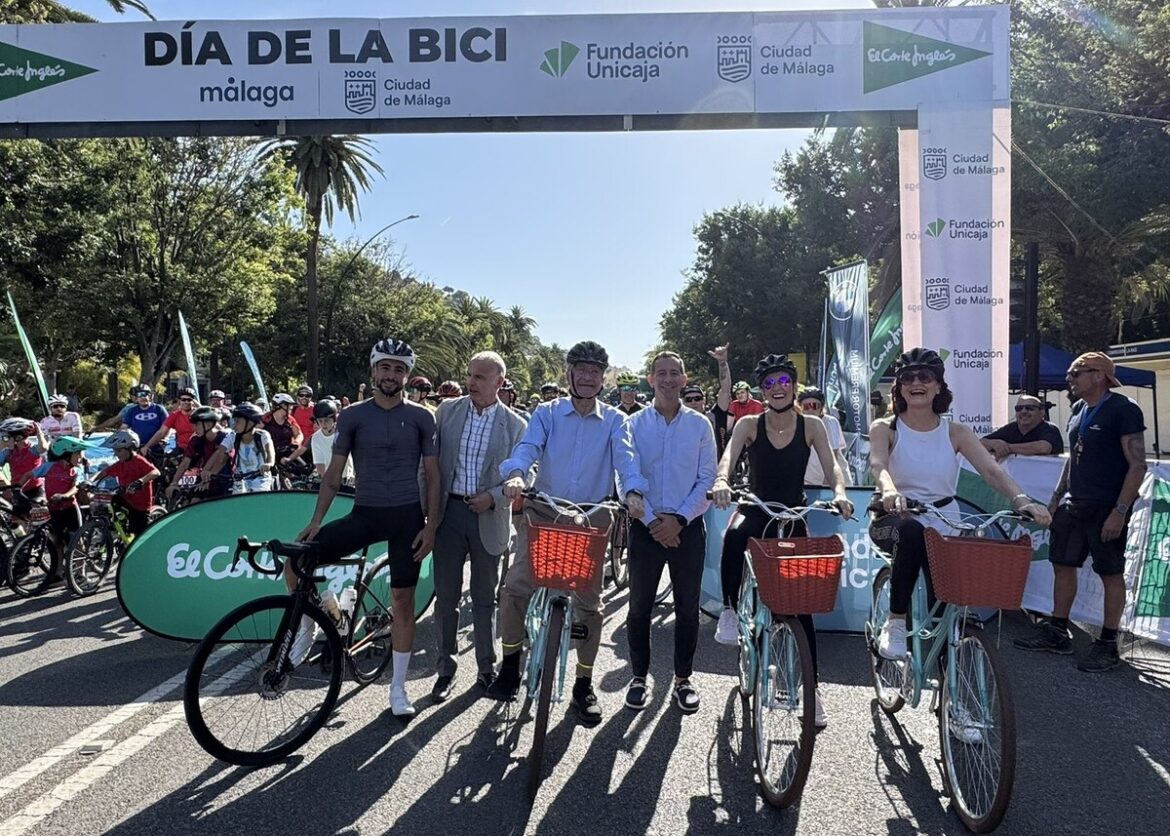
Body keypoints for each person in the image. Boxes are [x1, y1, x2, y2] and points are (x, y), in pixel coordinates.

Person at [486, 340, 649, 727]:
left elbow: (626, 461)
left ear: (604, 378)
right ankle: (510, 666)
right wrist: (516, 474)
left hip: (592, 516)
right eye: (582, 370)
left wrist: (633, 492)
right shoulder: (547, 413)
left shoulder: (615, 420)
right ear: (569, 373)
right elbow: (528, 448)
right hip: (545, 509)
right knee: (516, 588)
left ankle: (583, 685)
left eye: (596, 371)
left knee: (589, 605)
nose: (589, 377)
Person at [870, 349, 1051, 666]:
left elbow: (992, 472)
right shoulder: (886, 428)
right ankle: (896, 622)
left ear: (938, 386)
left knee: (946, 599)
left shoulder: (956, 432)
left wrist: (1022, 500)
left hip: (944, 519)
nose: (916, 383)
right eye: (908, 378)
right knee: (911, 532)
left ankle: (945, 678)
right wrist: (890, 490)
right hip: (895, 518)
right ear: (899, 387)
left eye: (925, 377)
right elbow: (878, 464)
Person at [294, 338, 440, 717]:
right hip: (365, 513)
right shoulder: (353, 416)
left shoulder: (423, 417)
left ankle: (398, 688)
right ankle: (312, 625)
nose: (391, 375)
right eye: (385, 367)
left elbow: (433, 475)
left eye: (399, 369)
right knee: (296, 561)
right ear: (374, 371)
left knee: (402, 602)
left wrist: (432, 526)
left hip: (407, 518)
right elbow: (333, 474)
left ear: (406, 375)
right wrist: (316, 520)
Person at [712, 353, 854, 728]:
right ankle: (729, 610)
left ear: (794, 386)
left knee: (801, 606)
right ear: (762, 390)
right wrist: (722, 480)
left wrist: (840, 493)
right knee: (734, 535)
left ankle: (813, 690)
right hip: (757, 508)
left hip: (793, 515)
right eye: (770, 383)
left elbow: (832, 466)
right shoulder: (749, 424)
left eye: (784, 381)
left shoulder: (812, 425)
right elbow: (728, 457)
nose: (777, 388)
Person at [1014, 352, 1145, 672]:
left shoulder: (1124, 409)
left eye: (1076, 373)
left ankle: (1108, 643)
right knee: (1062, 565)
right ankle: (1058, 631)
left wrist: (1119, 511)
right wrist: (1056, 497)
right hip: (1074, 504)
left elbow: (1137, 465)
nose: (1069, 378)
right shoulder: (1078, 410)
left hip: (1106, 506)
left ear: (1099, 375)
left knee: (1110, 573)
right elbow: (1072, 458)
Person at [430, 351, 528, 701]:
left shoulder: (516, 425)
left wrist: (494, 497)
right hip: (449, 514)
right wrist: (427, 510)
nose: (471, 382)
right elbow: (430, 464)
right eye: (470, 375)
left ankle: (486, 668)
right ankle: (445, 669)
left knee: (485, 599)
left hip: (489, 517)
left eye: (480, 377)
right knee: (446, 597)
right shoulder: (447, 412)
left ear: (499, 382)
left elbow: (525, 473)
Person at [624, 351, 716, 714]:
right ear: (650, 379)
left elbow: (707, 479)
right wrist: (652, 522)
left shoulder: (700, 425)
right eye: (660, 373)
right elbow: (625, 475)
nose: (667, 379)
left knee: (687, 609)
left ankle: (683, 679)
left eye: (674, 373)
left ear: (684, 378)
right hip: (644, 527)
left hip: (687, 528)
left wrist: (678, 520)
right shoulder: (633, 424)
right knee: (639, 607)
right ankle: (638, 677)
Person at [90, 429, 160, 535]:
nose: (116, 454)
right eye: (115, 451)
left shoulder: (139, 461)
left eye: (119, 451)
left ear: (129, 448)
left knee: (139, 535)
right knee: (108, 501)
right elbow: (103, 473)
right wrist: (90, 481)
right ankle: (114, 529)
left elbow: (156, 472)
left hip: (140, 505)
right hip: (126, 499)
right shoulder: (120, 464)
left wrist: (141, 481)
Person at [203, 403, 276, 494]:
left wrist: (269, 463)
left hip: (261, 479)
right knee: (237, 498)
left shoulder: (263, 435)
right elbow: (219, 452)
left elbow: (270, 451)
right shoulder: (233, 436)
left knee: (259, 498)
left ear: (250, 423)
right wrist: (207, 470)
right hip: (240, 479)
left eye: (238, 421)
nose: (234, 425)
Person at [165, 406, 232, 503]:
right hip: (204, 477)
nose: (194, 428)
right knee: (192, 502)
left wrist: (208, 479)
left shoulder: (225, 438)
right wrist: (174, 483)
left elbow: (222, 460)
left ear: (209, 424)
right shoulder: (196, 440)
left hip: (224, 479)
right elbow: (185, 462)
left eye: (197, 424)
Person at [285, 398, 353, 485]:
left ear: (334, 419)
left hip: (348, 478)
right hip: (329, 479)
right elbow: (320, 464)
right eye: (320, 421)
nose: (323, 424)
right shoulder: (316, 438)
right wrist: (326, 482)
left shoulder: (344, 432)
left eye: (327, 420)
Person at [35, 436, 88, 545]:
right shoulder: (49, 466)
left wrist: (65, 495)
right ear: (67, 455)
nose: (80, 457)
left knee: (77, 542)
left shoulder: (77, 470)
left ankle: (80, 556)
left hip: (70, 508)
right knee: (57, 542)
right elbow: (28, 475)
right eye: (77, 453)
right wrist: (19, 488)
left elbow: (75, 487)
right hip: (53, 509)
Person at [981, 394, 1065, 460]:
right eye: (1019, 408)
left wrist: (1007, 448)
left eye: (1029, 408)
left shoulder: (1050, 429)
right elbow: (981, 443)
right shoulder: (1011, 428)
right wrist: (993, 443)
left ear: (1042, 412)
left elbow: (1043, 448)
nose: (1023, 411)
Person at [798, 386, 850, 486]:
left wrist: (826, 488)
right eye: (806, 406)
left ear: (821, 408)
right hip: (808, 485)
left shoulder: (830, 422)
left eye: (814, 406)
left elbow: (833, 459)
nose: (810, 410)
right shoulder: (795, 425)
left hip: (833, 484)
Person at [0, 418, 47, 518]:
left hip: (35, 489)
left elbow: (43, 448)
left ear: (18, 438)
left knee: (37, 518)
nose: (4, 440)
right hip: (17, 490)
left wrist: (39, 432)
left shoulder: (32, 449)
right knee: (17, 520)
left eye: (6, 438)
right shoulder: (8, 452)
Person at [94, 385, 168, 446]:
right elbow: (123, 428)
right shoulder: (131, 411)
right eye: (139, 395)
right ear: (136, 398)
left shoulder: (159, 409)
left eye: (145, 394)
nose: (143, 397)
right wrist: (115, 438)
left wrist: (165, 438)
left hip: (156, 446)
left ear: (150, 396)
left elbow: (169, 427)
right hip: (137, 445)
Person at [144, 387, 198, 453]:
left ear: (193, 401)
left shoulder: (199, 414)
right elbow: (161, 432)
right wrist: (147, 446)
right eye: (183, 400)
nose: (186, 402)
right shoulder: (175, 415)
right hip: (182, 449)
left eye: (189, 400)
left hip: (198, 448)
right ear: (179, 401)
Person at [264, 393, 305, 461]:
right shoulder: (267, 418)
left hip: (288, 453)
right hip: (270, 454)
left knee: (304, 466)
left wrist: (297, 442)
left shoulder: (290, 419)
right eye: (290, 405)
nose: (291, 408)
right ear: (281, 406)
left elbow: (299, 434)